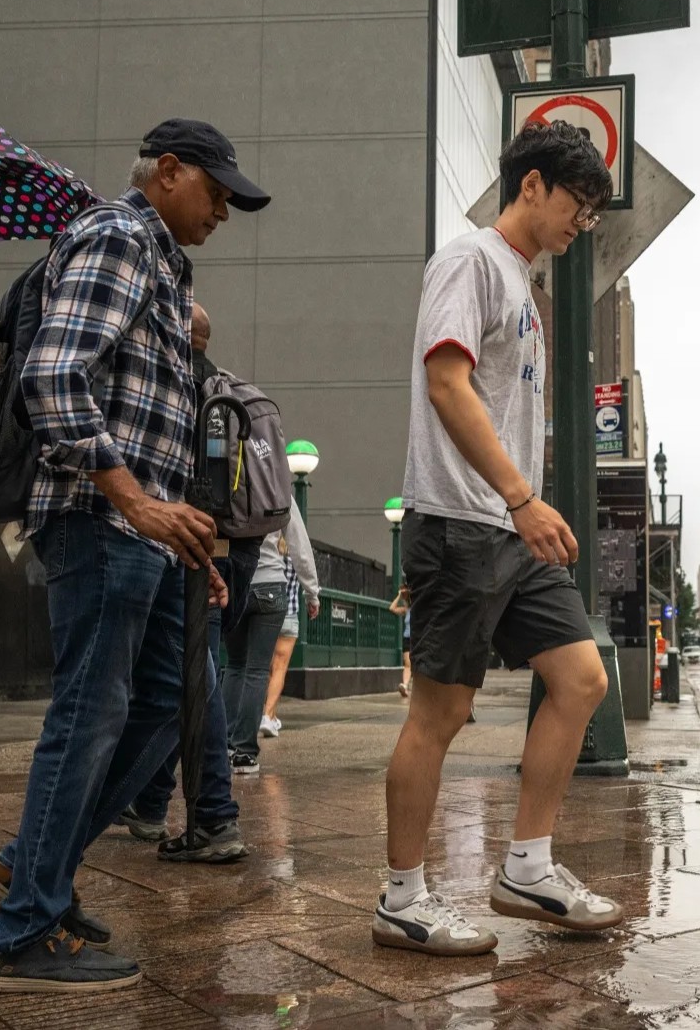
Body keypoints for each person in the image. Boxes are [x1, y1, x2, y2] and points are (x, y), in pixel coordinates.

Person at [0, 119, 268, 994]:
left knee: (168, 709)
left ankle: (36, 874)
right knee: (91, 718)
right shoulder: (118, 234)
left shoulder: (161, 265)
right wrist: (133, 499)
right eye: (213, 190)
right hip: (99, 524)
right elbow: (54, 376)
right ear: (166, 172)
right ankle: (20, 932)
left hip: (146, 535)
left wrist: (183, 542)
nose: (222, 209)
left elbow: (150, 417)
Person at [373, 121, 622, 958]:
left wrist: (525, 504)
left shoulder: (521, 282)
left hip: (512, 529)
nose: (578, 226)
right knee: (440, 713)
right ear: (531, 186)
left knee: (581, 678)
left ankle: (527, 866)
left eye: (589, 215)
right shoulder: (470, 261)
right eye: (576, 206)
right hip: (463, 522)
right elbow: (446, 384)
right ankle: (402, 896)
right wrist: (521, 497)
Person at [118, 303, 255, 861]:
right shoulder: (225, 391)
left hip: (183, 543)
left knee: (187, 678)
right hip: (223, 547)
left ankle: (213, 814)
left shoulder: (180, 386)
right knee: (187, 674)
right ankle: (155, 805)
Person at [250, 503, 321, 739]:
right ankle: (269, 716)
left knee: (258, 667)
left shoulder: (269, 551)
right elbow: (304, 563)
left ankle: (254, 717)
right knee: (279, 669)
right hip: (288, 613)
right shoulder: (290, 556)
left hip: (263, 602)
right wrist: (313, 595)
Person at [390, 584, 412, 699]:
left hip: (418, 639)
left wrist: (408, 592)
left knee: (417, 666)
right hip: (407, 638)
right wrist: (399, 595)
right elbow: (392, 608)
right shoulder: (406, 610)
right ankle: (405, 686)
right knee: (407, 664)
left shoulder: (418, 608)